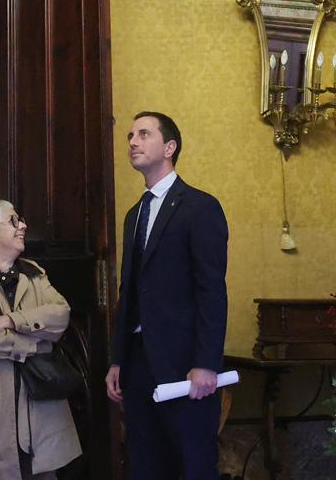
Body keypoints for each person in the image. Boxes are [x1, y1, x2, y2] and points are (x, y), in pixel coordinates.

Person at [105, 112, 228, 480]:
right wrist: (118, 359)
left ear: (170, 147)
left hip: (185, 363)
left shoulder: (199, 207)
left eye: (144, 134)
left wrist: (206, 361)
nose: (132, 142)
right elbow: (130, 292)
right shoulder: (134, 214)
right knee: (144, 463)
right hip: (140, 364)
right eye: (130, 135)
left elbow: (211, 288)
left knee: (191, 464)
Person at [0, 200, 81, 480]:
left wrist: (12, 321)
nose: (23, 225)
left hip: (41, 415)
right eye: (14, 220)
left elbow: (60, 314)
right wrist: (32, 345)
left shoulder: (34, 273)